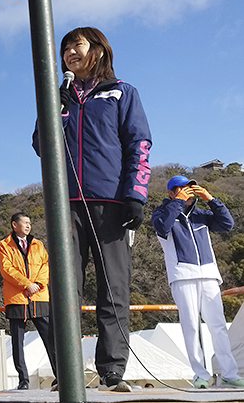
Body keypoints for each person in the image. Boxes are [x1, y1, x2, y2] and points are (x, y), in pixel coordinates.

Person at [32, 26, 151, 392]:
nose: (69, 52)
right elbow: (39, 144)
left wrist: (136, 194)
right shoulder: (58, 96)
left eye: (76, 45)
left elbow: (139, 143)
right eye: (64, 48)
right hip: (64, 203)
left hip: (111, 202)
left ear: (98, 50)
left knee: (113, 287)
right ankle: (66, 369)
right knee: (64, 288)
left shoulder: (121, 93)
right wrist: (56, 104)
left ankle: (112, 370)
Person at [151, 175, 244, 389]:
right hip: (182, 275)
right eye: (181, 188)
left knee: (218, 326)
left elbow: (227, 224)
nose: (187, 192)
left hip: (209, 274)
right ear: (171, 192)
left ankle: (229, 373)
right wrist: (176, 203)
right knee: (191, 326)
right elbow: (162, 228)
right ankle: (200, 375)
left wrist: (211, 199)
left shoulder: (201, 215)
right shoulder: (162, 213)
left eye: (189, 188)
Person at [0, 213, 57, 390]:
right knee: (17, 342)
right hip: (17, 298)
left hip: (38, 296)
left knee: (50, 338)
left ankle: (59, 375)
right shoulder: (4, 245)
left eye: (30, 222)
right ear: (14, 225)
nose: (28, 226)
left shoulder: (38, 244)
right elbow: (6, 269)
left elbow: (45, 265)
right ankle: (23, 380)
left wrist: (37, 284)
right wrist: (26, 284)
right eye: (25, 223)